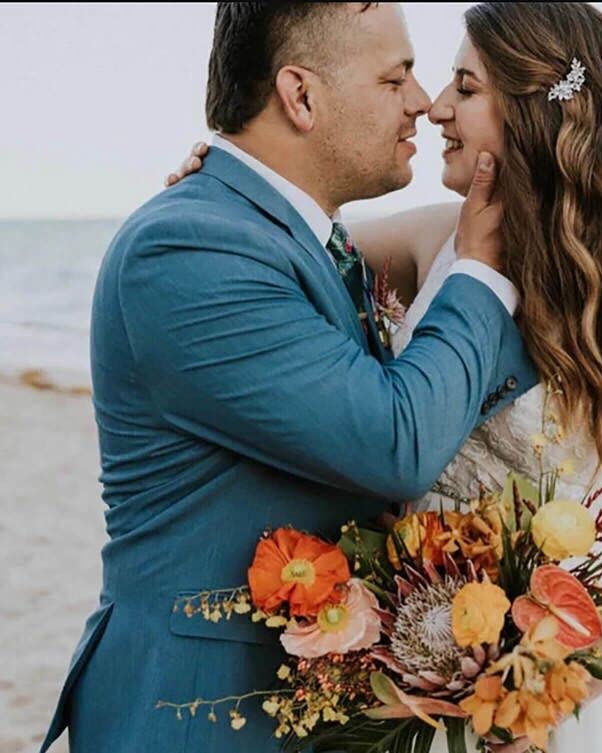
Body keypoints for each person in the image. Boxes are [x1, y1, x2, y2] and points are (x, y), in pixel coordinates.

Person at [174, 2, 602, 753]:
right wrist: (227, 187)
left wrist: (564, 679)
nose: (436, 107)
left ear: (540, 112)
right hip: (428, 676)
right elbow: (282, 256)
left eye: (466, 88)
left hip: (585, 686)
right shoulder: (434, 243)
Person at [38, 4, 538, 752]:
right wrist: (481, 268)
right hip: (195, 715)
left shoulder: (295, 237)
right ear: (300, 95)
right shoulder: (187, 247)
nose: (421, 101)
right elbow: (395, 441)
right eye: (394, 77)